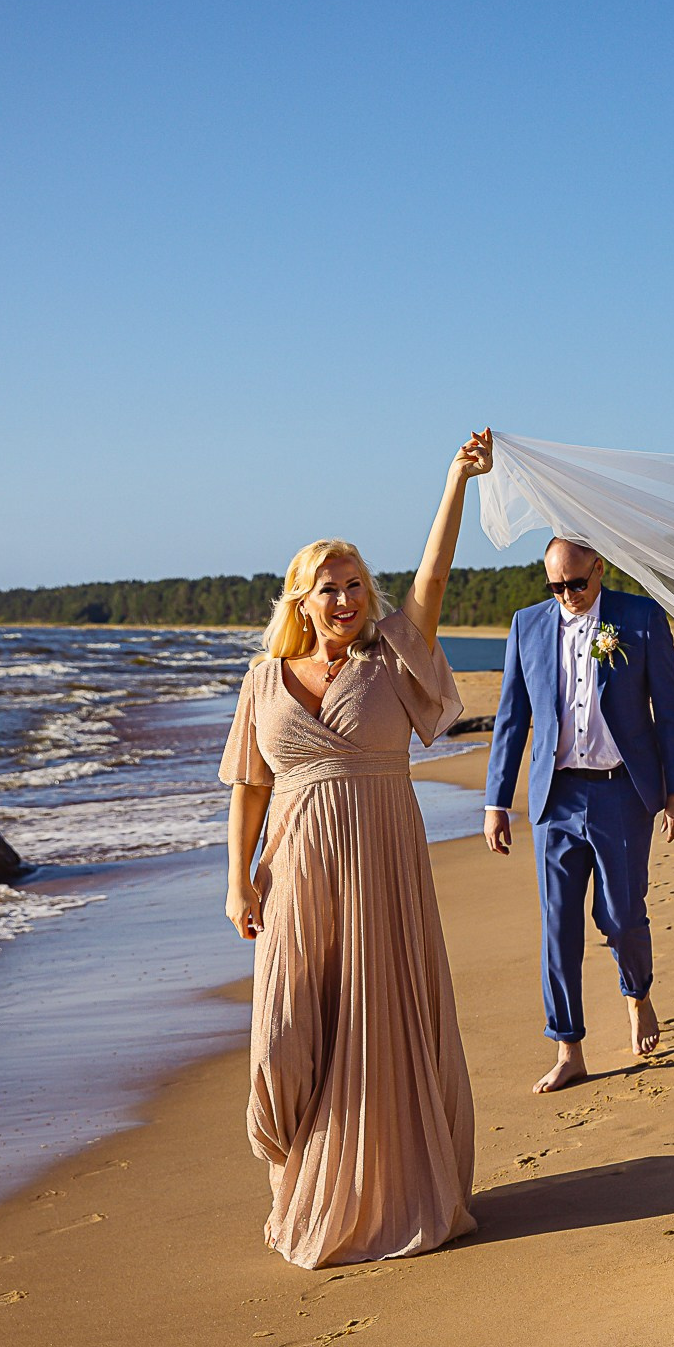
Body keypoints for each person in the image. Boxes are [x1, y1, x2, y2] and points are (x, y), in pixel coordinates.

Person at [219, 430, 494, 1269]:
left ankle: (389, 1188)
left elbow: (434, 578)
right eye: (328, 588)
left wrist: (455, 482)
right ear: (299, 599)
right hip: (297, 868)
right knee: (287, 1034)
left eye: (354, 585)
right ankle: (297, 1179)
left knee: (382, 1022)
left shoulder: (388, 655)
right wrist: (238, 883)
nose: (344, 599)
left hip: (381, 861)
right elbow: (250, 787)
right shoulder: (264, 680)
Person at [483, 536, 674, 1095]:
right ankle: (568, 1046)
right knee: (559, 925)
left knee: (622, 915)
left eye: (577, 583)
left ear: (599, 569)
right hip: (554, 798)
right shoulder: (527, 625)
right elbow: (512, 719)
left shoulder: (640, 617)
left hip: (621, 793)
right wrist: (496, 802)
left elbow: (671, 710)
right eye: (556, 586)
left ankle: (638, 993)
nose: (568, 595)